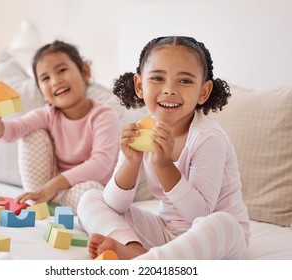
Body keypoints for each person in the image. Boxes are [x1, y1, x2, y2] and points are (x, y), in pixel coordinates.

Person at [77, 36, 250, 259]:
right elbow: (115, 205)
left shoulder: (208, 138)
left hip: (218, 243)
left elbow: (199, 213)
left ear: (203, 92)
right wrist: (131, 162)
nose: (169, 90)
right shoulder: (142, 132)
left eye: (185, 81)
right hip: (168, 233)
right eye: (158, 78)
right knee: (91, 198)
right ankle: (134, 249)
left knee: (222, 223)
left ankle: (143, 265)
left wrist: (164, 164)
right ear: (140, 85)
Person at [0, 40, 120, 214]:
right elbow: (14, 130)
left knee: (91, 192)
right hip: (49, 189)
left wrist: (54, 186)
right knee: (32, 132)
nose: (55, 81)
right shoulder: (47, 114)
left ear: (85, 72)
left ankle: (51, 201)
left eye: (62, 70)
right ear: (40, 91)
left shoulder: (104, 115)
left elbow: (101, 164)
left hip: (84, 187)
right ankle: (39, 201)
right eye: (45, 78)